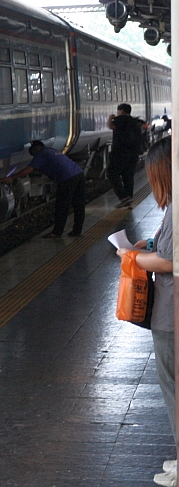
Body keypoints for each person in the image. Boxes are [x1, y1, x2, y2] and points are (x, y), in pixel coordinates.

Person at [116, 137, 173, 487]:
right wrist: (148, 245)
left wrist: (133, 257)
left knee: (174, 389)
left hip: (173, 315)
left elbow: (170, 261)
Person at [4, 140, 85, 238]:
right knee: (78, 205)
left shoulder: (42, 154)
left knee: (61, 206)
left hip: (68, 179)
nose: (34, 155)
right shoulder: (51, 150)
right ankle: (77, 231)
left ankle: (57, 232)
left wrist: (12, 177)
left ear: (37, 148)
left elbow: (29, 169)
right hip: (79, 174)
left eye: (34, 152)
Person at [107, 103, 143, 208]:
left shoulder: (120, 119)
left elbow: (111, 126)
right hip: (133, 154)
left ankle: (123, 197)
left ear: (122, 111)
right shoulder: (135, 121)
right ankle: (129, 201)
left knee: (112, 173)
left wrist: (110, 118)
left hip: (120, 153)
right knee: (128, 176)